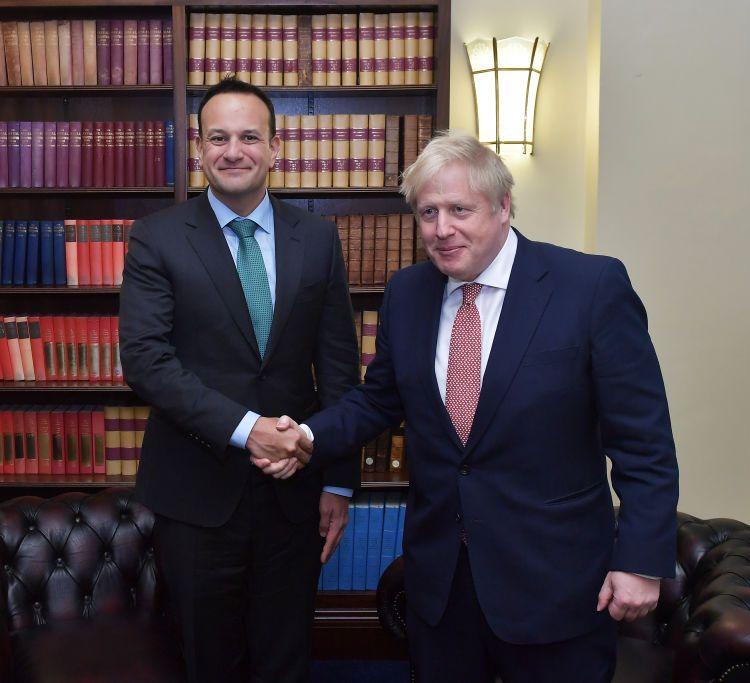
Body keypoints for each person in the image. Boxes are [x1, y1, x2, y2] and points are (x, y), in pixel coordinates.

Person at [259, 131, 680, 681]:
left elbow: (644, 442)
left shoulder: (590, 286)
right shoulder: (408, 293)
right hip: (441, 587)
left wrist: (641, 562)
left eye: (460, 209)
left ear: (504, 206)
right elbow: (379, 398)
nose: (442, 229)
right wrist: (307, 438)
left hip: (554, 583)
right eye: (428, 212)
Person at [119, 77, 358, 683]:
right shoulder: (158, 237)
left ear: (276, 148)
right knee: (206, 658)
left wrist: (341, 483)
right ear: (198, 149)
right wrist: (248, 430)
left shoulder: (319, 238)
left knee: (286, 655)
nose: (234, 151)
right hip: (196, 492)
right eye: (219, 137)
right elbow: (146, 360)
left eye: (250, 136)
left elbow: (337, 366)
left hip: (295, 492)